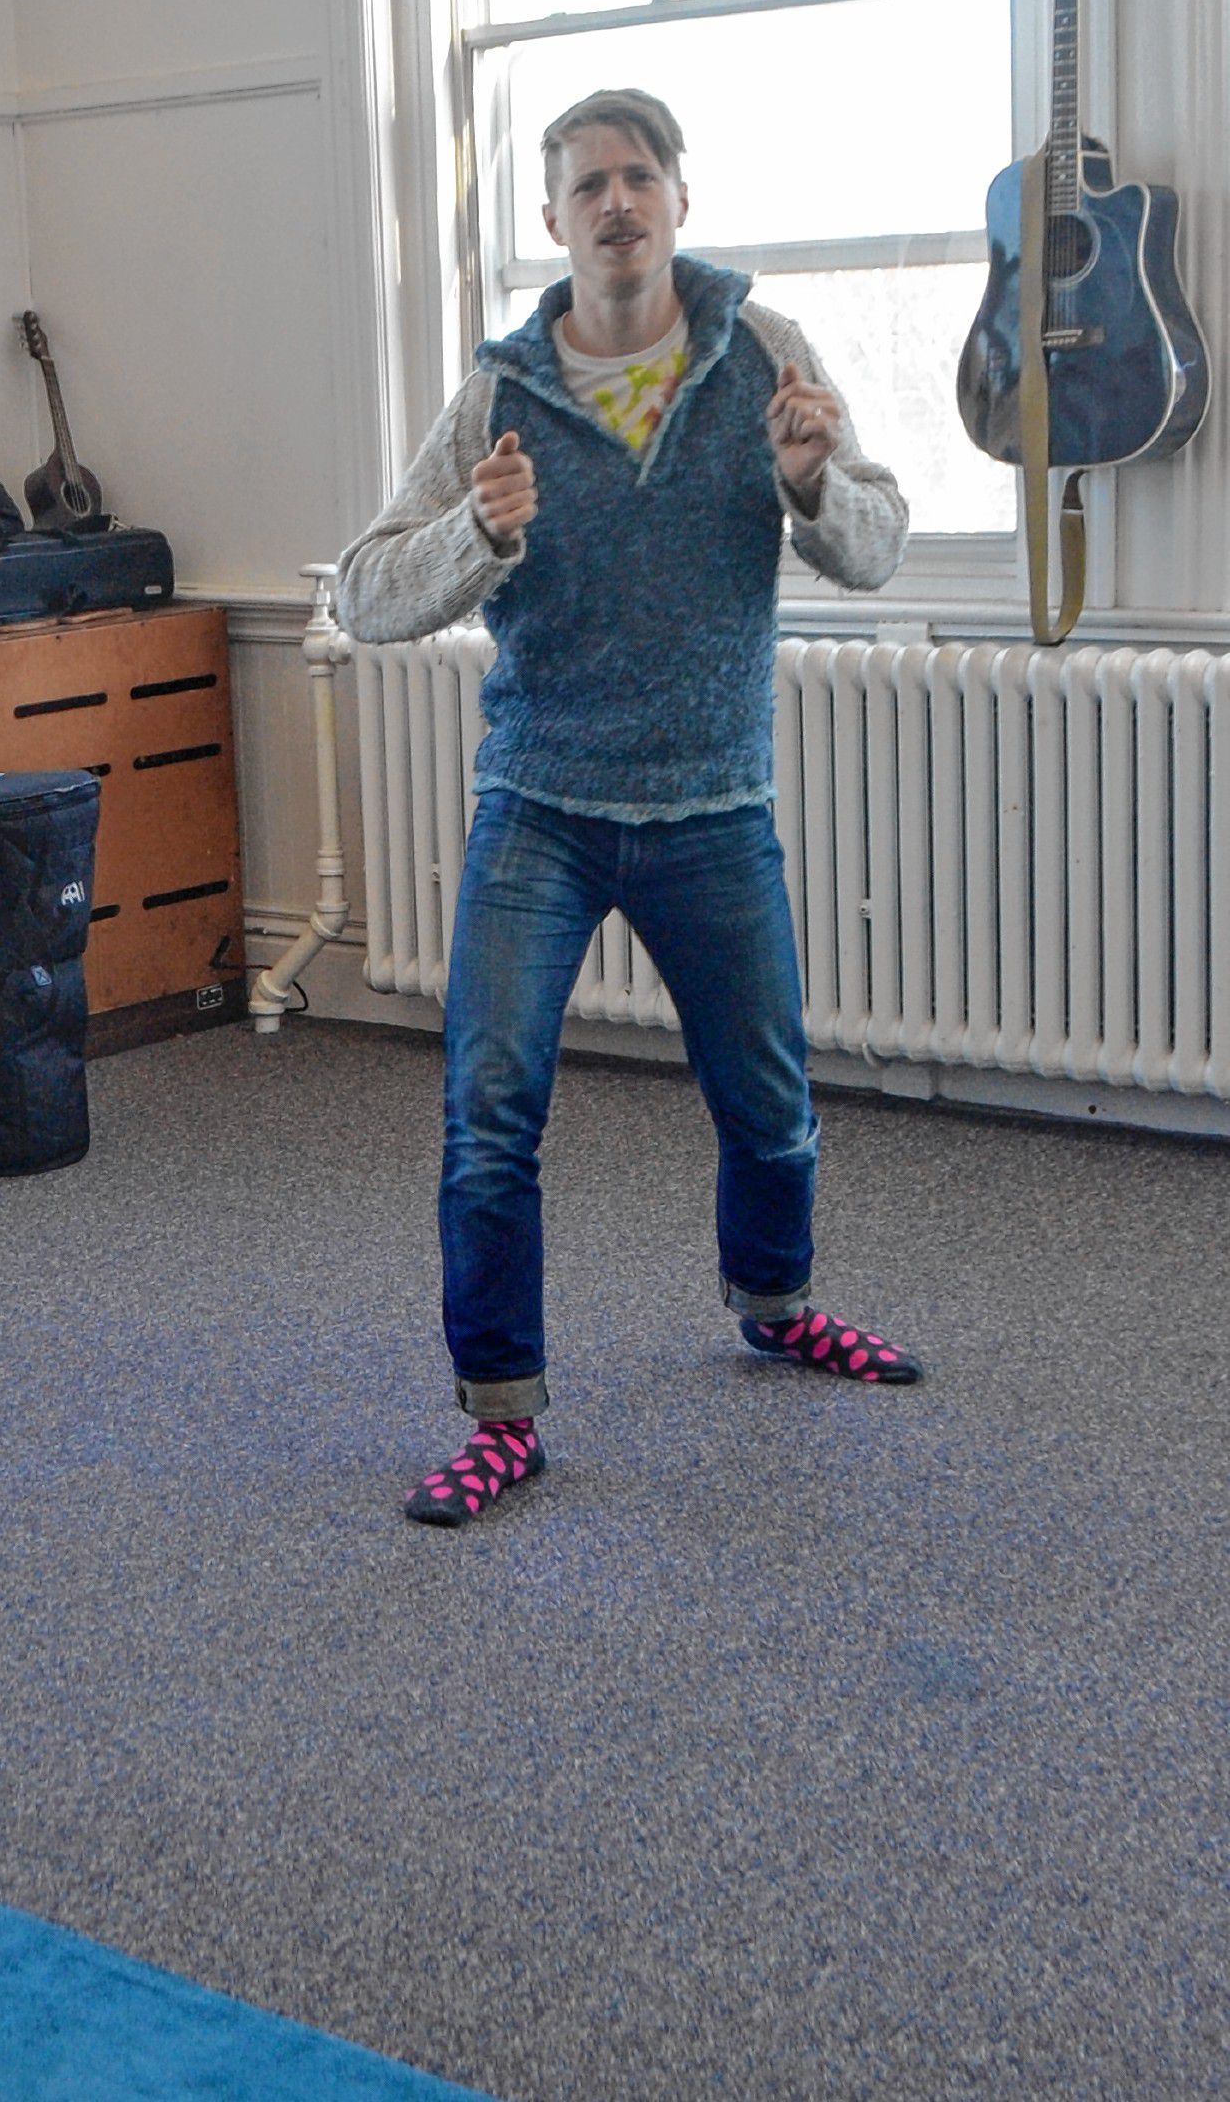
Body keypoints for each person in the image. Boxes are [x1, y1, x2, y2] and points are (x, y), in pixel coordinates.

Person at [336, 87, 922, 1530]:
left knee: (769, 1109)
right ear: (551, 222)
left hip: (711, 807)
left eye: (635, 175)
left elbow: (874, 546)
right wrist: (475, 535)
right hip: (536, 808)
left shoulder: (763, 355)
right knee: (485, 1117)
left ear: (675, 200)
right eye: (585, 183)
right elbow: (363, 595)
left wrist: (808, 485)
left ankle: (775, 1308)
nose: (614, 201)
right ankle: (498, 1418)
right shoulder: (495, 395)